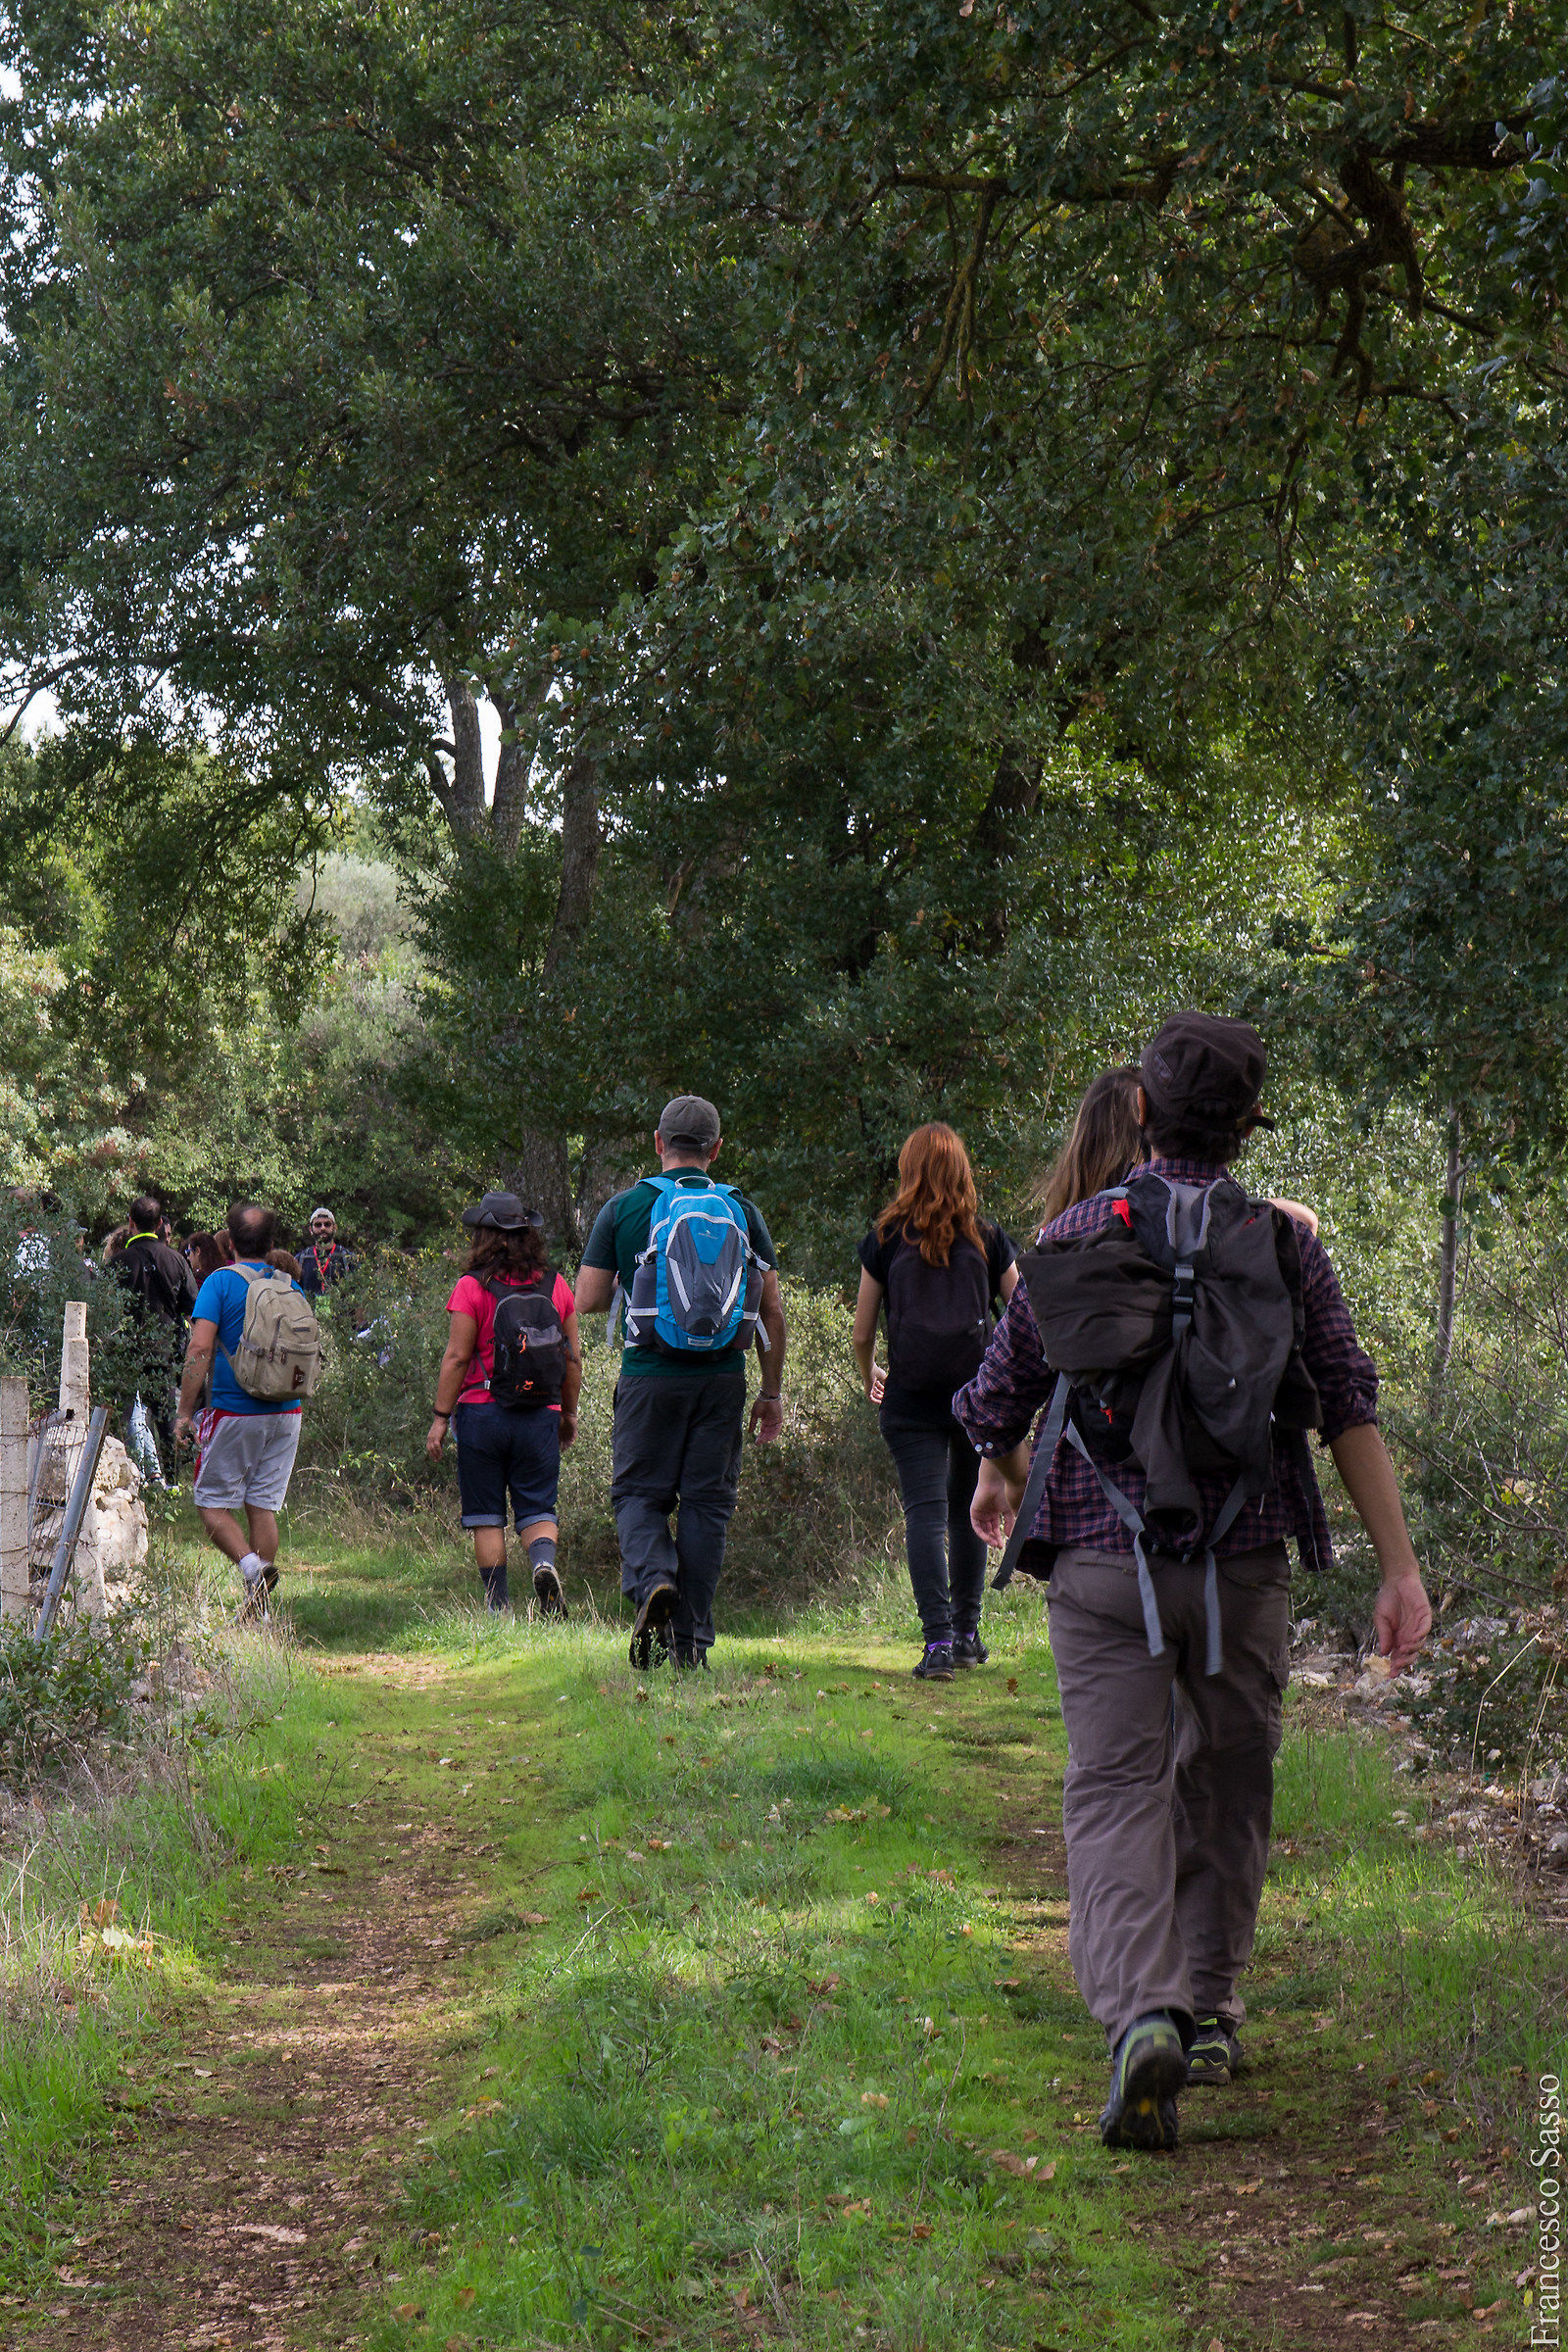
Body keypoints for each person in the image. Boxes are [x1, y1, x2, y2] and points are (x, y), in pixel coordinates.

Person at [956, 1014, 1431, 2152]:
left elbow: (992, 1400)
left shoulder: (1071, 1235)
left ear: (1140, 1112)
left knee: (1115, 1788)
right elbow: (1345, 1403)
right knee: (1227, 1779)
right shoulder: (1283, 1244)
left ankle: (1141, 2017)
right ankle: (1209, 2009)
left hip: (1101, 1563)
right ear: (1248, 1124)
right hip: (1242, 1562)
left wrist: (1004, 1479)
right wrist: (1399, 1568)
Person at [574, 1096, 787, 1670]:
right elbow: (771, 1311)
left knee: (637, 1496)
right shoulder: (741, 1210)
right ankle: (690, 1647)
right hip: (722, 1381)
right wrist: (771, 1394)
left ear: (658, 1142)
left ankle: (654, 1581)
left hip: (648, 1377)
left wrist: (627, 1274)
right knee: (707, 1506)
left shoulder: (626, 1207)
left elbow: (587, 1299)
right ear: (715, 1149)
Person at [852, 1123, 1021, 1680]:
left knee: (924, 1514)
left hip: (910, 1399)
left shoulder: (885, 1239)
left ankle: (938, 1644)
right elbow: (1025, 1314)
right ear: (963, 1172)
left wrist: (871, 1373)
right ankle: (968, 1634)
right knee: (971, 1507)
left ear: (909, 1171)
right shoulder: (987, 1238)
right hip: (977, 1398)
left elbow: (862, 1331)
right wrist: (1012, 1380)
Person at [425, 1193, 581, 1616]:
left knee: (487, 1515)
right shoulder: (555, 1285)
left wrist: (440, 1418)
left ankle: (499, 1609)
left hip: (482, 1412)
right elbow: (572, 1359)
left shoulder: (471, 1286)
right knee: (538, 1506)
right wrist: (568, 1413)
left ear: (483, 1237)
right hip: (541, 1413)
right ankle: (543, 1564)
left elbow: (457, 1358)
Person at [174, 1201, 316, 1620]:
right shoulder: (290, 1285)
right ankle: (259, 1612)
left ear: (230, 1243)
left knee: (210, 1503)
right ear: (271, 1244)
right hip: (287, 1410)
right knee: (261, 1505)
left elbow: (200, 1347)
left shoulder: (220, 1282)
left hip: (235, 1411)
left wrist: (185, 1412)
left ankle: (252, 1568)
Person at [111, 1193, 198, 1459]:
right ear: (160, 1223)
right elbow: (193, 1307)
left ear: (130, 1222)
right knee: (166, 1422)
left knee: (121, 1422)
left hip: (126, 1353)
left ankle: (125, 1474)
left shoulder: (119, 1262)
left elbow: (106, 1310)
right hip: (163, 1353)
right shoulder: (176, 1260)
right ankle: (171, 1476)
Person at [297, 1206, 355, 1298]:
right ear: (311, 1229)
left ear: (335, 1228)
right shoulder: (301, 1259)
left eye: (327, 1224)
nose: (323, 1228)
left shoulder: (347, 1258)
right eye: (318, 1225)